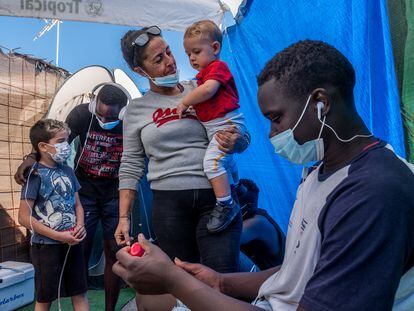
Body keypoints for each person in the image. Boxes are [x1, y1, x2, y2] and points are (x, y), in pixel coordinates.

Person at [112, 40, 414, 311]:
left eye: (276, 118)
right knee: (149, 298)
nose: (271, 134)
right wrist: (220, 283)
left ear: (321, 104)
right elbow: (299, 270)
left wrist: (174, 280)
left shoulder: (373, 193)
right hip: (264, 295)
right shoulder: (319, 170)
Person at [116, 25, 249, 309]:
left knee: (222, 281)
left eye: (168, 51)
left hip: (217, 199)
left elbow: (239, 130)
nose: (170, 61)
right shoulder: (137, 110)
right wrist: (124, 217)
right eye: (158, 59)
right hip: (169, 206)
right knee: (182, 285)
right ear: (141, 72)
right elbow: (130, 164)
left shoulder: (202, 87)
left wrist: (237, 141)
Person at [15, 83, 129, 311]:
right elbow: (55, 141)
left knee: (114, 251)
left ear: (123, 111)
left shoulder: (130, 120)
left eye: (112, 117)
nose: (106, 121)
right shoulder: (80, 114)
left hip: (114, 192)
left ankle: (108, 309)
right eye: (101, 115)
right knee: (79, 246)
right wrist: (31, 158)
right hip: (84, 188)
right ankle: (76, 294)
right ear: (94, 105)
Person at [175, 20, 247, 233]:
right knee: (228, 162)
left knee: (212, 164)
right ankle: (237, 189)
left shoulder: (217, 68)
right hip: (217, 125)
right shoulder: (202, 76)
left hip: (225, 125)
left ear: (215, 48)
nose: (191, 58)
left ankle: (226, 204)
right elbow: (207, 103)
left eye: (196, 51)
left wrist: (186, 101)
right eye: (188, 54)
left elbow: (208, 91)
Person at [18, 119, 89, 311]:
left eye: (67, 140)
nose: (66, 146)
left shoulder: (68, 171)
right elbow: (24, 217)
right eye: (61, 141)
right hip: (46, 246)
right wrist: (58, 236)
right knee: (45, 297)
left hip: (73, 242)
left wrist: (80, 227)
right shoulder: (34, 174)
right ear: (42, 146)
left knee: (80, 291)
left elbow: (78, 205)